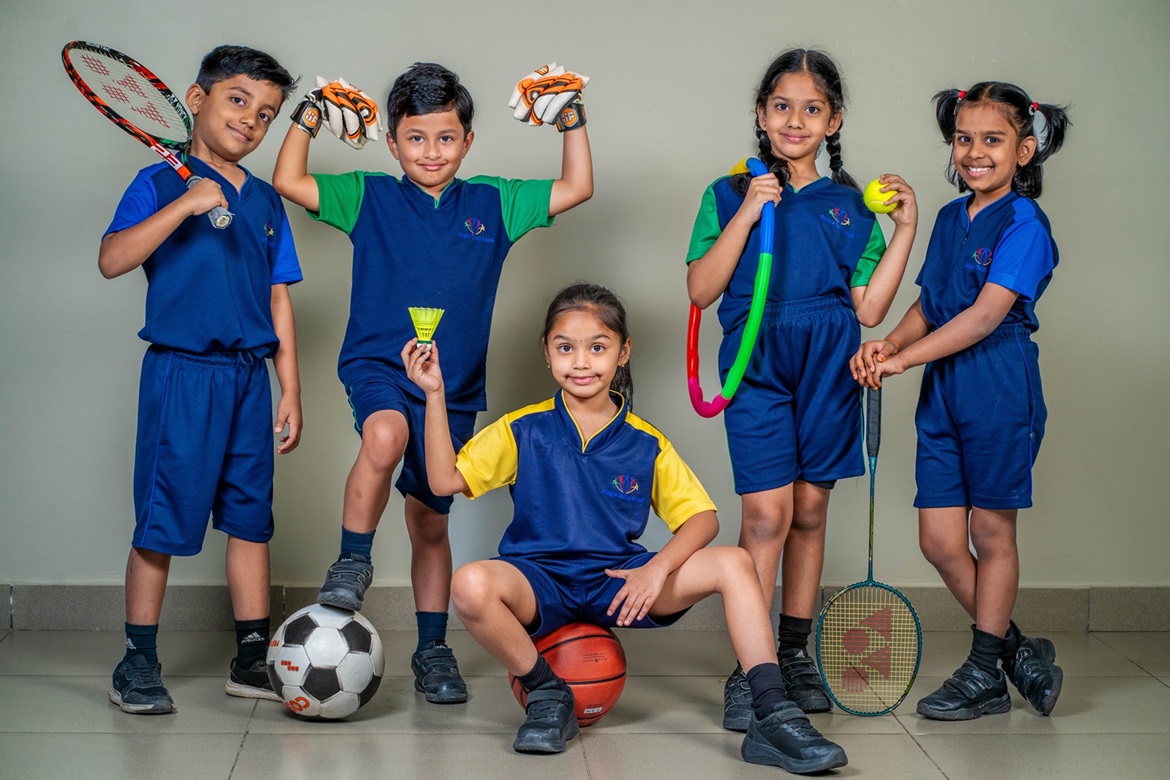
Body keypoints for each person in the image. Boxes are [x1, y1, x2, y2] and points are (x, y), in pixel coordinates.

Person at [402, 282, 847, 773]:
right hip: (539, 581)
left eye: (598, 347)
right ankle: (548, 695)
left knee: (735, 562)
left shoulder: (645, 441)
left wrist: (656, 570)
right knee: (469, 583)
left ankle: (773, 713)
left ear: (623, 353)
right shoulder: (522, 428)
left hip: (619, 582)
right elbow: (444, 480)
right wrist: (434, 395)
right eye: (565, 348)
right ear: (547, 355)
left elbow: (703, 518)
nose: (581, 361)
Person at [272, 61, 593, 704]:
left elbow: (577, 185)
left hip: (453, 388)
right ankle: (352, 563)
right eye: (415, 138)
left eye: (446, 138)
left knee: (428, 523)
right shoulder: (371, 195)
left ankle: (433, 648)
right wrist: (308, 116)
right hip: (378, 366)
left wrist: (573, 118)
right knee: (384, 434)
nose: (431, 152)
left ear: (468, 141)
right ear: (392, 143)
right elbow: (287, 179)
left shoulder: (494, 202)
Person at [685, 48, 917, 726]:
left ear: (832, 119)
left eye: (811, 108)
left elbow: (870, 308)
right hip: (755, 364)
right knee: (765, 516)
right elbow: (702, 288)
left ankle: (792, 655)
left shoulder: (849, 204)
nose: (795, 119)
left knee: (810, 511)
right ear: (762, 114)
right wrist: (748, 213)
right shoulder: (728, 192)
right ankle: (751, 668)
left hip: (828, 364)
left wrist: (906, 227)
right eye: (782, 106)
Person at [851, 82, 1070, 721]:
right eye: (964, 138)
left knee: (990, 532)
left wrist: (901, 361)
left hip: (998, 384)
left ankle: (983, 672)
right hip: (944, 391)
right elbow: (934, 303)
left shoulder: (1026, 224)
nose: (975, 152)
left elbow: (980, 318)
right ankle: (1018, 652)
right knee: (941, 540)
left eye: (993, 140)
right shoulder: (951, 218)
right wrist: (888, 340)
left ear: (1025, 150)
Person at [98, 46, 301, 714]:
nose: (250, 120)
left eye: (266, 113)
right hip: (181, 376)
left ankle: (251, 658)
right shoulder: (158, 183)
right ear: (196, 98)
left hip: (249, 381)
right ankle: (138, 661)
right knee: (163, 521)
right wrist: (186, 205)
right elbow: (112, 259)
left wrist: (289, 387)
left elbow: (277, 298)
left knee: (250, 522)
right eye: (238, 100)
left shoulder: (268, 201)